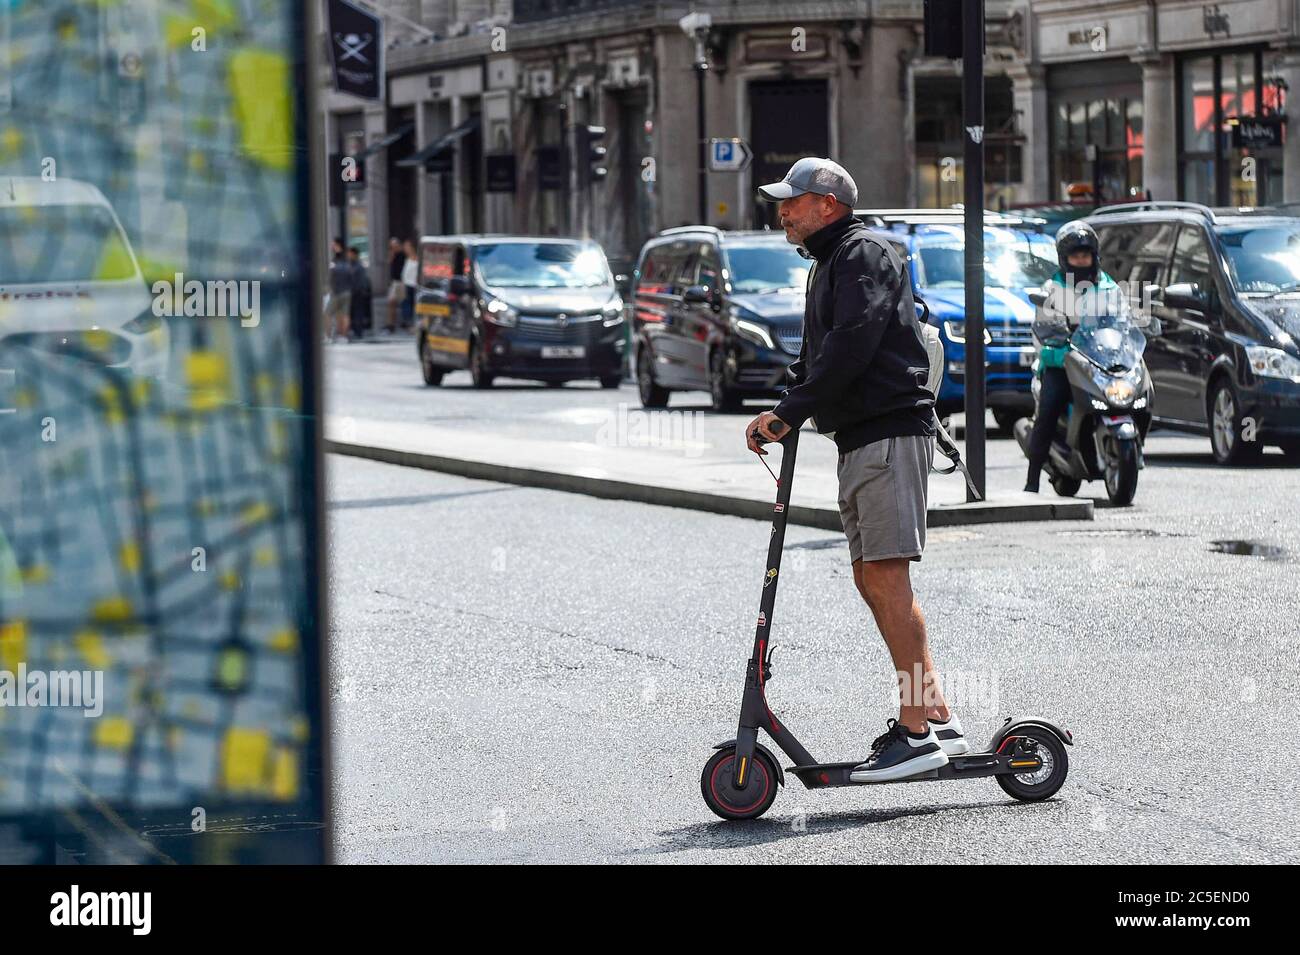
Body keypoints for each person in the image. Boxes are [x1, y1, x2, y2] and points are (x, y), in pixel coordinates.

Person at [746, 157, 965, 782]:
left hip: (889, 433)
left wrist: (792, 413)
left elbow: (854, 342)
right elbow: (818, 354)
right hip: (863, 438)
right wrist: (782, 408)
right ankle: (937, 713)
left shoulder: (865, 253)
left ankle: (918, 734)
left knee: (887, 578)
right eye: (781, 203)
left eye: (792, 201)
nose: (782, 212)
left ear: (829, 204)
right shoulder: (831, 261)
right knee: (873, 577)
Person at [1024, 220, 1118, 492]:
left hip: (1101, 363)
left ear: (1094, 256)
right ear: (1065, 259)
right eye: (1075, 256)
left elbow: (1122, 317)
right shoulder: (1052, 288)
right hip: (1062, 364)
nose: (1081, 260)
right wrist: (1056, 337)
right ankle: (1031, 480)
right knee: (1049, 410)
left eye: (1085, 255)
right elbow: (1043, 327)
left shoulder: (1109, 286)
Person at [326, 239, 352, 342]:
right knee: (343, 314)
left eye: (334, 245)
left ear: (338, 246)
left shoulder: (336, 260)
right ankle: (343, 336)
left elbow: (333, 276)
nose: (332, 247)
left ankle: (328, 336)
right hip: (347, 291)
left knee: (327, 313)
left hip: (338, 291)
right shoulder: (347, 259)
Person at [347, 246, 372, 341]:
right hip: (353, 292)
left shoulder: (358, 266)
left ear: (354, 254)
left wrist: (360, 290)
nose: (348, 255)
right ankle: (355, 330)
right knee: (354, 312)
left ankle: (358, 331)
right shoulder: (352, 265)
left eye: (350, 253)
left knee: (358, 312)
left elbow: (361, 281)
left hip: (357, 292)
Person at [385, 237, 406, 334]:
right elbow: (389, 263)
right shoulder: (393, 255)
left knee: (400, 303)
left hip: (401, 281)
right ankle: (391, 325)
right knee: (391, 303)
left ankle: (403, 323)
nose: (393, 248)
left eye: (395, 246)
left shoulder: (403, 254)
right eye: (391, 246)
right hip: (394, 282)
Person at [400, 238, 418, 330]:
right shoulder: (407, 259)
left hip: (415, 285)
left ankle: (415, 325)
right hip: (407, 284)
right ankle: (409, 324)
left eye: (407, 246)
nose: (405, 248)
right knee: (407, 305)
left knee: (415, 305)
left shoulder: (418, 258)